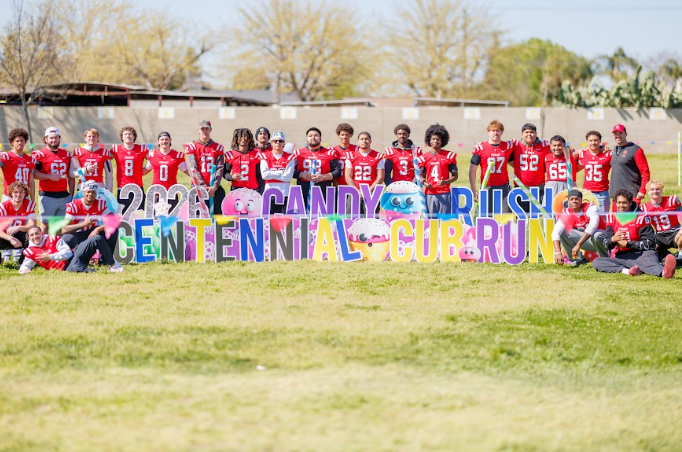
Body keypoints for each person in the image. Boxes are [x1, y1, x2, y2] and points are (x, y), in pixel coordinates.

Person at [593, 189, 676, 278]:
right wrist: (613, 239)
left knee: (649, 263)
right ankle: (629, 271)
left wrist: (628, 244)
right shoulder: (611, 218)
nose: (621, 205)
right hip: (622, 257)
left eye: (624, 203)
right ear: (615, 203)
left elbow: (650, 243)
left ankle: (664, 273)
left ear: (630, 203)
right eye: (619, 203)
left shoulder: (641, 217)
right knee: (597, 262)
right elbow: (606, 244)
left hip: (642, 254)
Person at [60, 180, 121, 272]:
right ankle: (69, 260)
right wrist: (83, 224)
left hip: (91, 232)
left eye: (93, 192)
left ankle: (105, 260)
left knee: (113, 230)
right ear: (83, 192)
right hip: (77, 235)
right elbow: (64, 229)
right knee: (66, 238)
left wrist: (97, 228)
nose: (90, 194)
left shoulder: (100, 204)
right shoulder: (74, 205)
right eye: (88, 191)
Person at [19, 225, 123, 273]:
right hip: (66, 267)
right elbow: (24, 267)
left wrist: (50, 256)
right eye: (32, 235)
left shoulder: (52, 238)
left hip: (74, 256)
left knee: (97, 238)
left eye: (37, 233)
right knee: (74, 269)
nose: (35, 237)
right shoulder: (30, 251)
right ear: (29, 238)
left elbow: (68, 253)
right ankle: (97, 272)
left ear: (41, 233)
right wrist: (25, 270)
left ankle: (114, 265)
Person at [32, 127, 75, 233]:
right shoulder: (39, 154)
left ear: (59, 139)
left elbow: (71, 176)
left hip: (64, 195)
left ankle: (57, 247)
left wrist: (72, 194)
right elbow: (34, 174)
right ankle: (43, 248)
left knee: (60, 226)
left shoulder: (67, 154)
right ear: (45, 139)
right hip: (47, 196)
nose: (54, 140)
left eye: (56, 138)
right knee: (45, 225)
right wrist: (49, 176)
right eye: (51, 138)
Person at [552, 189, 607, 266]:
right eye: (571, 199)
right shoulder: (567, 213)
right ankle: (578, 260)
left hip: (601, 241)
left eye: (577, 199)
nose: (574, 201)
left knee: (597, 235)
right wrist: (558, 252)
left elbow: (593, 226)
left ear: (581, 200)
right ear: (568, 201)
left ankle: (605, 260)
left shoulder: (590, 208)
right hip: (586, 242)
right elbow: (555, 232)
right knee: (563, 231)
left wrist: (578, 244)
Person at [470, 120, 514, 214]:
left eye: (498, 130)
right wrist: (474, 190)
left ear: (502, 132)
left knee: (505, 217)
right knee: (487, 217)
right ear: (488, 132)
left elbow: (514, 163)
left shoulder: (507, 146)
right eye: (493, 130)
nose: (495, 133)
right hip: (487, 186)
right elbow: (472, 170)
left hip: (504, 186)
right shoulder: (480, 148)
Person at [293, 127, 341, 212]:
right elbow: (290, 171)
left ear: (320, 138)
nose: (313, 137)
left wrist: (324, 176)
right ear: (306, 138)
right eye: (310, 135)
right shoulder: (298, 153)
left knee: (323, 216)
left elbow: (337, 171)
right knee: (303, 216)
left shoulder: (329, 152)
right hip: (303, 188)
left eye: (316, 135)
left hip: (323, 188)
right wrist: (302, 174)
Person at [184, 120, 226, 214]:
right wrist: (203, 187)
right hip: (197, 187)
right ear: (198, 130)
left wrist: (214, 186)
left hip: (214, 187)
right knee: (198, 216)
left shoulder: (217, 147)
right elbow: (192, 168)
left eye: (206, 128)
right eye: (202, 129)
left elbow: (220, 168)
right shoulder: (192, 146)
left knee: (218, 215)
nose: (204, 131)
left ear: (210, 130)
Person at [418, 124, 458, 216]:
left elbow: (455, 176)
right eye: (433, 139)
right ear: (429, 140)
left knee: (444, 222)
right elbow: (421, 176)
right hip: (430, 193)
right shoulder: (424, 158)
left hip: (444, 192)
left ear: (442, 141)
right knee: (431, 222)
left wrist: (445, 182)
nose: (435, 141)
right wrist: (425, 183)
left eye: (438, 139)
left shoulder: (448, 156)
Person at [344, 131, 385, 215]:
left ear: (370, 141)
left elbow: (380, 177)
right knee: (351, 219)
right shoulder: (351, 155)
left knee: (372, 220)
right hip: (355, 191)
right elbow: (348, 177)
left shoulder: (377, 156)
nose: (364, 141)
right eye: (361, 139)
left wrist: (367, 191)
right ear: (358, 142)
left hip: (372, 192)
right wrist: (356, 191)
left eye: (366, 139)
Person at [641, 180, 682, 263]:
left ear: (661, 190)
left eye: (657, 189)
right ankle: (666, 256)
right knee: (651, 250)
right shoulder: (644, 208)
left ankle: (680, 253)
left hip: (675, 232)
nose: (655, 191)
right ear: (648, 192)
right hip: (660, 235)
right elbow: (645, 227)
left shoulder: (671, 200)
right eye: (652, 189)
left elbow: (680, 213)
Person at [111, 126, 149, 214]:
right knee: (123, 214)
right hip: (122, 187)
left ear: (134, 136)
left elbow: (153, 161)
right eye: (125, 134)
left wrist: (144, 171)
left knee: (139, 214)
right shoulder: (116, 149)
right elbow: (104, 160)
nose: (128, 136)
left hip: (137, 186)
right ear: (122, 137)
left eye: (130, 134)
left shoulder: (141, 149)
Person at [511, 123, 550, 210]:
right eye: (526, 132)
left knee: (536, 215)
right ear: (522, 134)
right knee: (521, 215)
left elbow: (557, 146)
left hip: (538, 187)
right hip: (520, 186)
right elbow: (499, 146)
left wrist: (568, 148)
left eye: (532, 132)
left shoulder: (544, 145)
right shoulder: (515, 144)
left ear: (536, 134)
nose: (529, 134)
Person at [610, 124, 650, 206]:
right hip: (616, 194)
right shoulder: (614, 149)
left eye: (620, 133)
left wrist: (642, 190)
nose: (618, 136)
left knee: (632, 218)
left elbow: (645, 172)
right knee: (617, 218)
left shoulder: (635, 149)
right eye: (615, 134)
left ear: (626, 134)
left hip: (631, 194)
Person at [260, 131, 296, 214]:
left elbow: (288, 177)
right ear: (271, 143)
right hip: (269, 194)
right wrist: (280, 172)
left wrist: (271, 173)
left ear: (284, 143)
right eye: (275, 141)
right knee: (268, 220)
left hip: (284, 193)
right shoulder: (265, 156)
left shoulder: (289, 157)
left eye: (280, 141)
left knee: (284, 220)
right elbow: (264, 175)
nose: (278, 143)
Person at [576, 131, 612, 213]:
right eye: (590, 140)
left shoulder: (608, 154)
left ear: (600, 141)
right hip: (587, 192)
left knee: (603, 219)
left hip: (602, 192)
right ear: (587, 142)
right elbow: (576, 168)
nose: (593, 143)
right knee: (587, 218)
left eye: (595, 140)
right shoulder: (583, 154)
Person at [0, 181, 36, 260]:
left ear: (25, 194)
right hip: (5, 237)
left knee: (33, 235)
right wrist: (10, 238)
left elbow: (33, 225)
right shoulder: (3, 206)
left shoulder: (29, 205)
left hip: (19, 236)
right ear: (11, 193)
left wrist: (19, 227)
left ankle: (23, 262)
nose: (18, 195)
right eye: (15, 192)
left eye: (21, 192)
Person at [225, 128, 264, 193]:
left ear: (249, 139)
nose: (243, 139)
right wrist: (232, 177)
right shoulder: (231, 154)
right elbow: (225, 173)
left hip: (252, 189)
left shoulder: (256, 154)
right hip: (236, 188)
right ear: (237, 139)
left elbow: (259, 175)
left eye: (245, 137)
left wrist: (261, 191)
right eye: (241, 137)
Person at [0, 128, 35, 202]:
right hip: (9, 196)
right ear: (12, 142)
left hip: (24, 196)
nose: (20, 143)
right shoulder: (6, 156)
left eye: (22, 141)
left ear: (25, 142)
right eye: (17, 141)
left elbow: (31, 182)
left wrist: (32, 200)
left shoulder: (30, 159)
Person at [332, 123, 357, 188]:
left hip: (353, 183)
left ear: (350, 135)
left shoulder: (357, 149)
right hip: (338, 183)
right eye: (342, 135)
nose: (344, 137)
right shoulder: (333, 150)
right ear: (338, 136)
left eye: (346, 135)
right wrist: (335, 182)